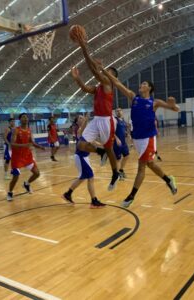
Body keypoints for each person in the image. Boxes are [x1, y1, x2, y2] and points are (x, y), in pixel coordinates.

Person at [101, 67, 180, 208]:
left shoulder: (155, 102)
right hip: (136, 138)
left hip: (148, 138)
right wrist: (103, 70)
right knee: (150, 164)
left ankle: (131, 197)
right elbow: (117, 82)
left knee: (141, 167)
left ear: (149, 88)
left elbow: (175, 109)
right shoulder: (133, 97)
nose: (141, 85)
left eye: (144, 84)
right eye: (141, 84)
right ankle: (168, 179)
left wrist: (173, 104)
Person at [71, 35, 120, 191]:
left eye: (109, 72)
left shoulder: (107, 84)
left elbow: (93, 69)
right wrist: (78, 79)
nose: (105, 73)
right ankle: (100, 152)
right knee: (81, 144)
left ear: (112, 78)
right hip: (96, 119)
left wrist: (84, 47)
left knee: (110, 149)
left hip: (107, 120)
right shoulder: (99, 87)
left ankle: (115, 174)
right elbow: (85, 88)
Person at [62, 115, 106, 208]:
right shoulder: (79, 131)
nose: (82, 119)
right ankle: (93, 201)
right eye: (80, 118)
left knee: (82, 178)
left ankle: (68, 194)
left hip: (85, 157)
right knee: (90, 177)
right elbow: (84, 128)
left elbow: (93, 142)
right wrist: (86, 119)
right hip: (81, 156)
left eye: (83, 118)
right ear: (77, 122)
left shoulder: (86, 133)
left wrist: (103, 145)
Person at [7, 113, 45, 201]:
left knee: (37, 173)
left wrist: (39, 146)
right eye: (24, 117)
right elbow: (12, 143)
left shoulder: (28, 130)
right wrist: (25, 145)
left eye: (27, 117)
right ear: (20, 120)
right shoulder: (16, 130)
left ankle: (27, 184)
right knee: (15, 177)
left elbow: (31, 142)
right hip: (17, 157)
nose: (26, 118)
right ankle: (10, 192)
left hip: (27, 156)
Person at [113, 108, 130, 180]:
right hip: (117, 143)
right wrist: (116, 138)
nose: (118, 112)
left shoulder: (122, 120)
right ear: (115, 113)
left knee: (127, 155)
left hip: (123, 142)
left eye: (119, 110)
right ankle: (117, 175)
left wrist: (127, 134)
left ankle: (121, 170)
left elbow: (123, 130)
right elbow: (111, 131)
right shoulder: (115, 120)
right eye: (117, 111)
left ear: (122, 112)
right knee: (118, 159)